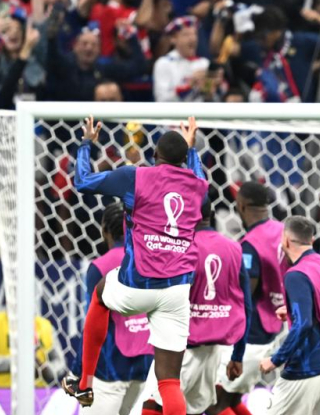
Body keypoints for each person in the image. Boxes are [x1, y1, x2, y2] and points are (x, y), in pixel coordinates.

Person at [65, 116, 208, 415]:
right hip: (177, 290)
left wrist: (86, 145)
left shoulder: (137, 176)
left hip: (138, 284)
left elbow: (83, 182)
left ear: (155, 156)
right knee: (169, 383)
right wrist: (191, 148)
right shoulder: (198, 186)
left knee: (100, 294)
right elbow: (195, 171)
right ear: (184, 159)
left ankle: (85, 382)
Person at [140, 213, 252, 415]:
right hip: (212, 349)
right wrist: (238, 353)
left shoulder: (181, 247)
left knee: (153, 405)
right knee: (210, 407)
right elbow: (246, 305)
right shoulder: (233, 248)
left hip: (181, 349)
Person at [262, 216, 320, 415]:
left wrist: (276, 359)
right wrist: (290, 312)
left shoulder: (296, 274)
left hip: (308, 365)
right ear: (312, 240)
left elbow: (303, 324)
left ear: (286, 241)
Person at [214, 181, 285, 415]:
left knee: (215, 402)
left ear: (241, 206)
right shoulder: (282, 231)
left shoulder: (250, 245)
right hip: (276, 327)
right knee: (232, 401)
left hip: (253, 335)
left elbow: (245, 294)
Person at [83, 203, 155, 415]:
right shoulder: (149, 260)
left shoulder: (99, 267)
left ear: (104, 230)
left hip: (110, 368)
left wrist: (83, 374)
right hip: (144, 364)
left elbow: (94, 327)